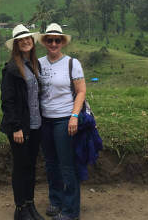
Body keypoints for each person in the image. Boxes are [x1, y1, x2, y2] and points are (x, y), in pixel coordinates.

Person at [39, 23, 86, 220]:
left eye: (57, 40)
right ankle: (56, 201)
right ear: (45, 43)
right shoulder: (39, 63)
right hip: (44, 120)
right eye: (49, 40)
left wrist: (74, 116)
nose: (53, 43)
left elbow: (81, 91)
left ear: (62, 43)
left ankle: (70, 210)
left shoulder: (71, 63)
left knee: (67, 165)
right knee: (51, 164)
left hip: (64, 119)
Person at [0, 24, 45, 220]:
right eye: (21, 40)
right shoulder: (11, 69)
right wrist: (16, 127)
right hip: (20, 127)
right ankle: (20, 209)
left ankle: (30, 204)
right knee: (20, 167)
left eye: (28, 38)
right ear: (16, 44)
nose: (26, 41)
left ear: (32, 42)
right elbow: (7, 101)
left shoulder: (34, 64)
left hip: (35, 125)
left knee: (30, 166)